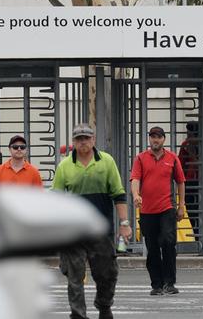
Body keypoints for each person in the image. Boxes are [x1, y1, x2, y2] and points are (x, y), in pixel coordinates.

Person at [52, 124, 132, 319]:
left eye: (86, 138)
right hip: (73, 231)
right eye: (79, 139)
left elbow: (119, 194)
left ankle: (104, 306)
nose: (83, 142)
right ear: (73, 142)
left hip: (100, 230)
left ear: (93, 140)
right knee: (74, 277)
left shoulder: (106, 162)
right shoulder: (64, 166)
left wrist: (124, 224)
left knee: (107, 274)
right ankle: (78, 314)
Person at [131, 126, 186, 296]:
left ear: (164, 139)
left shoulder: (172, 158)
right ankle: (156, 284)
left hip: (167, 208)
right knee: (152, 248)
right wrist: (135, 195)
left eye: (159, 137)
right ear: (149, 139)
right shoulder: (140, 158)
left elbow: (180, 181)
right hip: (147, 210)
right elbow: (135, 179)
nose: (155, 140)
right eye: (152, 137)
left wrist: (181, 204)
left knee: (168, 242)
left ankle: (170, 283)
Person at [178, 121, 203, 240]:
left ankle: (201, 239)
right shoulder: (187, 144)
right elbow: (179, 165)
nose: (188, 135)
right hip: (190, 182)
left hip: (199, 181)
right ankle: (199, 239)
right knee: (193, 212)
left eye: (190, 133)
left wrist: (192, 155)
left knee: (197, 211)